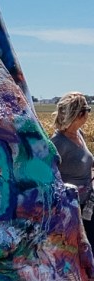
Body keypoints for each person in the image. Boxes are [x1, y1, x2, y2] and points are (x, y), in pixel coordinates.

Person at [51, 92, 94, 248]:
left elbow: (85, 161)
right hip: (70, 211)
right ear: (80, 115)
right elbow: (49, 176)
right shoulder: (58, 143)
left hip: (87, 206)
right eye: (87, 110)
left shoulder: (79, 134)